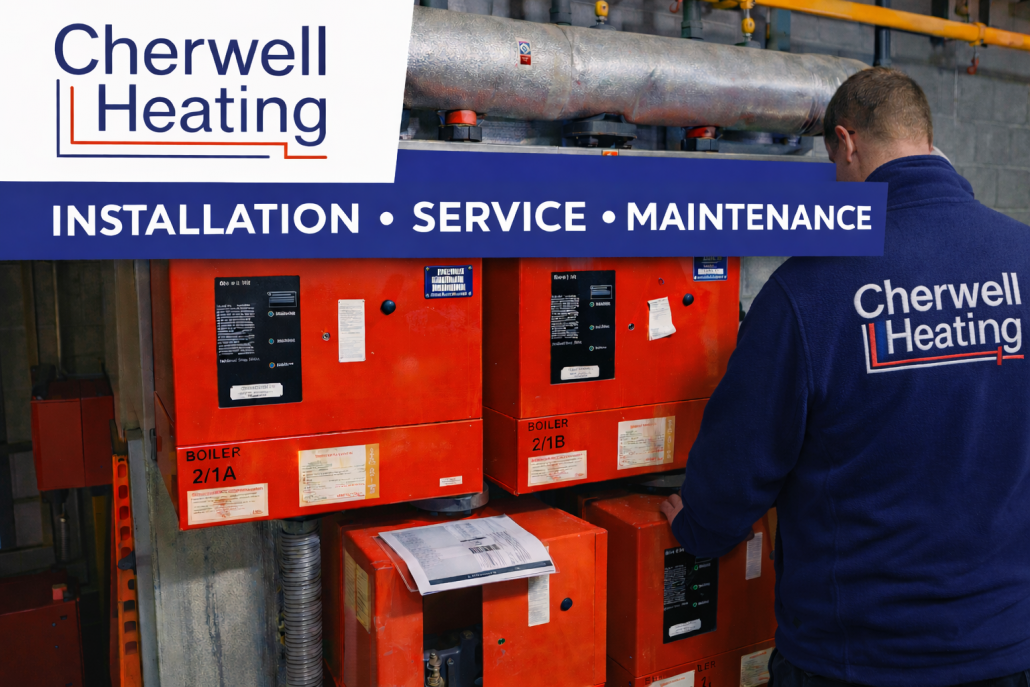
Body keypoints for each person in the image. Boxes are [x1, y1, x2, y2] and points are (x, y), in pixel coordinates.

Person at [660, 67, 1030, 687]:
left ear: (847, 142)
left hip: (859, 653)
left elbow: (743, 454)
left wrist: (699, 526)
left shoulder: (809, 289)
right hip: (1006, 644)